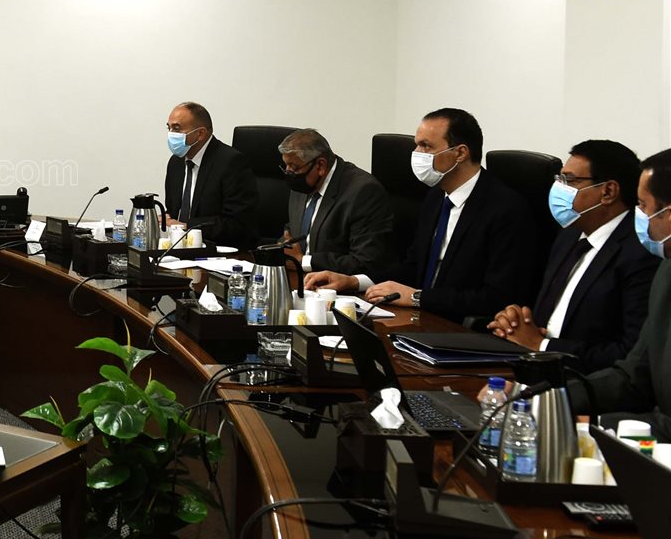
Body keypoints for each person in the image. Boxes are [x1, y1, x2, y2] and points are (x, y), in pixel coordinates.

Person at [306, 108, 540, 319]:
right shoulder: (436, 197)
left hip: (461, 328)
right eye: (417, 145)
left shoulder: (505, 209)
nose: (417, 153)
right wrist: (353, 281)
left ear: (460, 153)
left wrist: (418, 297)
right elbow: (413, 267)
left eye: (426, 146)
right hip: (422, 317)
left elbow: (496, 298)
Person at [485, 140, 657, 372]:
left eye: (569, 180)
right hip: (531, 366)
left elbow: (629, 355)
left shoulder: (641, 254)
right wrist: (516, 322)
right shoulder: (569, 235)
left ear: (608, 191)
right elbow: (544, 319)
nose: (558, 188)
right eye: (559, 179)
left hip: (582, 380)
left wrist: (542, 345)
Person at [569, 148, 671, 436]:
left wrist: (589, 426)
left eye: (642, 205)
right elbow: (633, 376)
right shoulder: (666, 271)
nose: (638, 215)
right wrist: (552, 399)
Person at [278, 128, 394, 278]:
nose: (288, 173)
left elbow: (365, 261)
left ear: (320, 166)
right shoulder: (303, 183)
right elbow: (294, 230)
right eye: (286, 166)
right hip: (300, 279)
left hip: (340, 287)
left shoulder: (363, 191)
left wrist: (303, 261)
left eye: (294, 167)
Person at [162, 101, 258, 248]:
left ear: (200, 133)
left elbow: (237, 224)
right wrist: (165, 219)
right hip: (180, 249)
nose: (171, 134)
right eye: (169, 128)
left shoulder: (230, 162)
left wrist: (186, 225)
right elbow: (174, 213)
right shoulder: (176, 163)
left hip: (220, 251)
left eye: (177, 128)